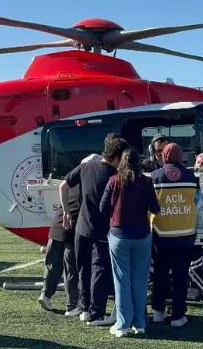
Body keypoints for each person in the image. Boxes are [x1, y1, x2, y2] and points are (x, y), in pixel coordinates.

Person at [59, 135, 129, 327]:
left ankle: (84, 308)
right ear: (117, 157)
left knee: (83, 268)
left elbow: (63, 185)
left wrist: (66, 211)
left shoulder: (86, 166)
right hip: (103, 229)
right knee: (99, 270)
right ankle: (96, 312)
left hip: (81, 227)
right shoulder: (115, 175)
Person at [100, 148, 160, 337]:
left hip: (119, 235)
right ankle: (139, 323)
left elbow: (103, 207)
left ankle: (122, 324)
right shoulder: (146, 182)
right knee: (140, 281)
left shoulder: (114, 181)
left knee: (122, 281)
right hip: (142, 235)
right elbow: (155, 208)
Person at [39, 156, 100, 315]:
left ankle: (45, 294)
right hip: (72, 228)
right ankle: (72, 305)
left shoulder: (71, 182)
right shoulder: (90, 183)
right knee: (71, 268)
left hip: (57, 225)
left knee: (52, 264)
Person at [149, 142, 199, 327]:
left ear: (163, 156)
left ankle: (158, 311)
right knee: (181, 276)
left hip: (161, 233)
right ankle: (178, 316)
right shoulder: (191, 176)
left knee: (160, 275)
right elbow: (196, 200)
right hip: (185, 234)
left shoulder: (155, 176)